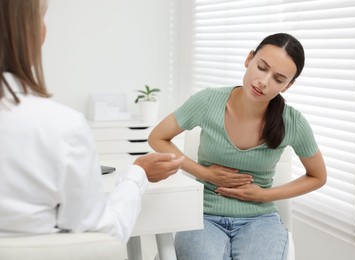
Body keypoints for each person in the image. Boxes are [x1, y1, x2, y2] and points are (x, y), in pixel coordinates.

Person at [0, 0, 184, 244]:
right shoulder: (62, 125)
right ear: (30, 31)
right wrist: (138, 174)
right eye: (41, 18)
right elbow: (102, 235)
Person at [148, 32, 327, 259]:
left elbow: (318, 176)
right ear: (249, 59)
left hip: (260, 220)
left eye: (278, 79)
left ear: (288, 86)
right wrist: (205, 174)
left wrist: (264, 195)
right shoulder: (207, 101)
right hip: (203, 214)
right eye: (262, 67)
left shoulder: (292, 122)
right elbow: (158, 137)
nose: (264, 81)